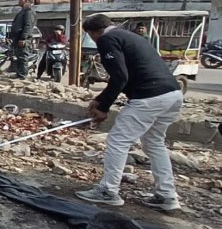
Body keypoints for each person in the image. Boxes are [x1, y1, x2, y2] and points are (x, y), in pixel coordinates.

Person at [75, 15, 184, 210]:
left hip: (149, 96)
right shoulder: (129, 36)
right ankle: (166, 195)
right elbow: (124, 76)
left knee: (118, 140)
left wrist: (103, 108)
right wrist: (100, 99)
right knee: (154, 143)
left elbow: (119, 76)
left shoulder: (107, 40)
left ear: (92, 33)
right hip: (173, 94)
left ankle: (108, 191)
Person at [9, 0, 36, 79]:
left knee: (23, 56)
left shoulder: (29, 12)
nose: (19, 1)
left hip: (23, 39)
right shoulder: (23, 12)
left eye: (20, 0)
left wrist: (23, 38)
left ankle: (22, 75)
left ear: (26, 1)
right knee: (18, 56)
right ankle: (19, 73)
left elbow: (28, 26)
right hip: (17, 38)